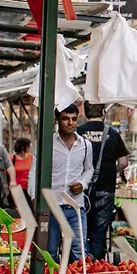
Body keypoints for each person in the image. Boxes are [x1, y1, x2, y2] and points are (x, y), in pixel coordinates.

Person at [78, 103, 130, 259]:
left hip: (81, 190)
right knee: (99, 232)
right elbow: (124, 162)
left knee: (80, 229)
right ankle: (97, 266)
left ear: (85, 113)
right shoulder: (112, 134)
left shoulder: (77, 132)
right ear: (103, 112)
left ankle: (82, 265)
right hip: (105, 189)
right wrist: (111, 171)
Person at [46, 103, 92, 261]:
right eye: (65, 118)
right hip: (52, 207)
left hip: (76, 208)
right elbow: (36, 172)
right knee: (50, 252)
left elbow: (89, 169)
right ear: (57, 120)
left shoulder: (86, 145)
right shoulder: (48, 144)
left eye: (73, 119)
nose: (70, 123)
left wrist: (83, 184)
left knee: (79, 252)